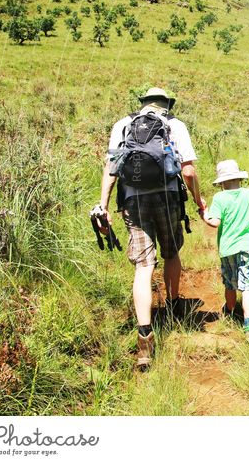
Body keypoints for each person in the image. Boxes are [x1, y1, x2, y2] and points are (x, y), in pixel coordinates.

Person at [95, 87, 206, 369]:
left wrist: (103, 205)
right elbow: (189, 171)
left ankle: (145, 336)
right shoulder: (174, 125)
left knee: (143, 266)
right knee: (170, 252)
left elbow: (111, 168)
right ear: (166, 105)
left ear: (143, 104)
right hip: (167, 197)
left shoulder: (122, 124)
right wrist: (199, 201)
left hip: (132, 199)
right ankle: (173, 305)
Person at [201, 159, 249, 341]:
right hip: (248, 248)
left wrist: (204, 215)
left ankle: (231, 311)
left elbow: (215, 222)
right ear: (239, 179)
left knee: (230, 283)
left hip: (228, 250)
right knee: (247, 286)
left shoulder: (219, 198)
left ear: (222, 182)